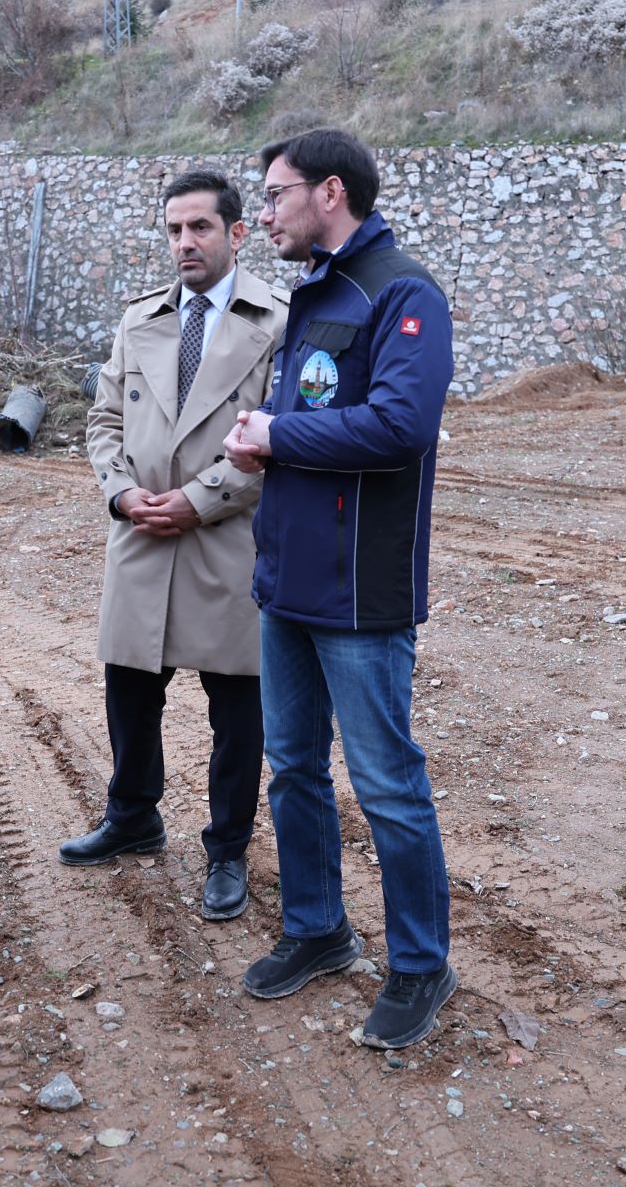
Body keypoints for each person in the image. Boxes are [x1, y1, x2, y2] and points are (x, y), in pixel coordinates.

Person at [221, 127, 457, 1050]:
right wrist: (266, 432)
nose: (264, 212)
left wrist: (276, 436)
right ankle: (318, 928)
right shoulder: (316, 291)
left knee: (388, 783)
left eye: (275, 194)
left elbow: (400, 426)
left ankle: (421, 964)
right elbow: (317, 412)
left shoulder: (402, 291)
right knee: (293, 767)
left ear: (329, 192)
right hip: (288, 579)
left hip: (360, 591)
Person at [63, 169, 289, 920]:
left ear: (237, 233)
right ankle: (132, 815)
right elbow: (103, 420)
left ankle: (227, 849)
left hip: (227, 537)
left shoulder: (279, 321)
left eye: (199, 227)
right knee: (130, 687)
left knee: (238, 707)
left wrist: (198, 500)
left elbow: (281, 435)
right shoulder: (141, 319)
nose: (184, 242)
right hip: (140, 532)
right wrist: (120, 492)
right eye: (173, 230)